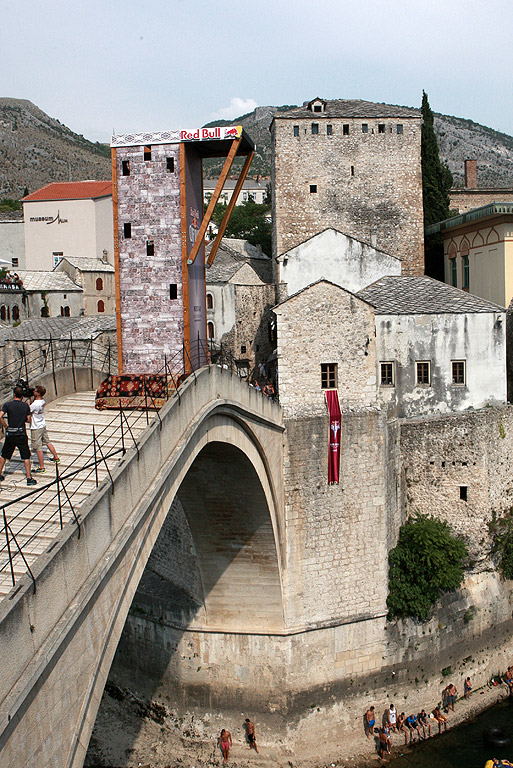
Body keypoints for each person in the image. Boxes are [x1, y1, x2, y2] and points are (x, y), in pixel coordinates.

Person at [0, 385, 36, 485]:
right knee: (26, 456)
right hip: (21, 433)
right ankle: (29, 478)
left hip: (10, 433)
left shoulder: (7, 404)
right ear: (22, 396)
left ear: (14, 394)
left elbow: (0, 416)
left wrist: (6, 426)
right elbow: (29, 420)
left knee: (4, 455)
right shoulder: (25, 406)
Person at [29, 385, 60, 473]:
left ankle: (42, 467)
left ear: (38, 393)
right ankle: (56, 457)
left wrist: (27, 402)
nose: (33, 392)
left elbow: (28, 410)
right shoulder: (42, 401)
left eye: (35, 391)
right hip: (42, 425)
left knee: (38, 448)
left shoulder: (35, 404)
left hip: (36, 427)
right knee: (47, 442)